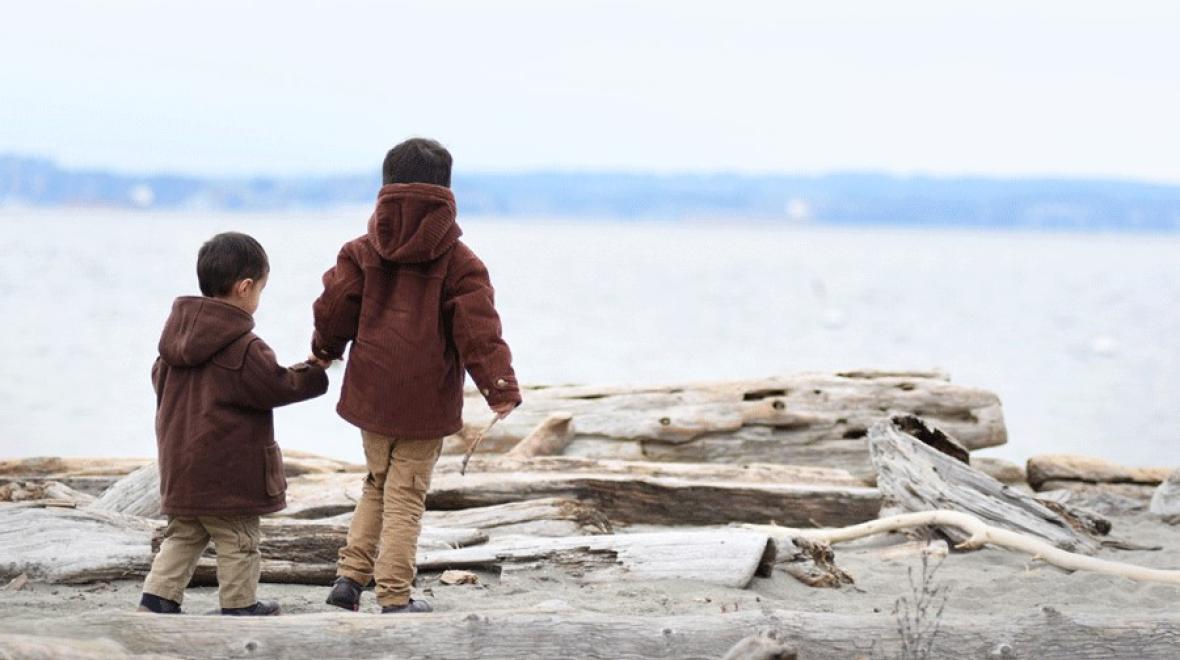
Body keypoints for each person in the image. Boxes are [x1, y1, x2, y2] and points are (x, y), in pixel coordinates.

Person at [312, 138, 521, 613]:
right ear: (446, 194)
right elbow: (479, 333)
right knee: (405, 496)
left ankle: (349, 579)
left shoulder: (361, 252)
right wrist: (500, 388)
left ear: (385, 189)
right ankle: (394, 595)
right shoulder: (461, 262)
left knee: (375, 483)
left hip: (371, 394)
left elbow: (333, 309)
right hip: (425, 402)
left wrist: (324, 350)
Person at [137, 232, 329, 616]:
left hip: (182, 469)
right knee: (239, 539)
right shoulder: (244, 347)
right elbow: (276, 385)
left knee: (183, 535)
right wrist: (314, 371)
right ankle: (240, 605)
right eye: (260, 289)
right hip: (229, 474)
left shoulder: (171, 346)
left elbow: (160, 385)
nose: (258, 298)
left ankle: (157, 599)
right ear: (244, 288)